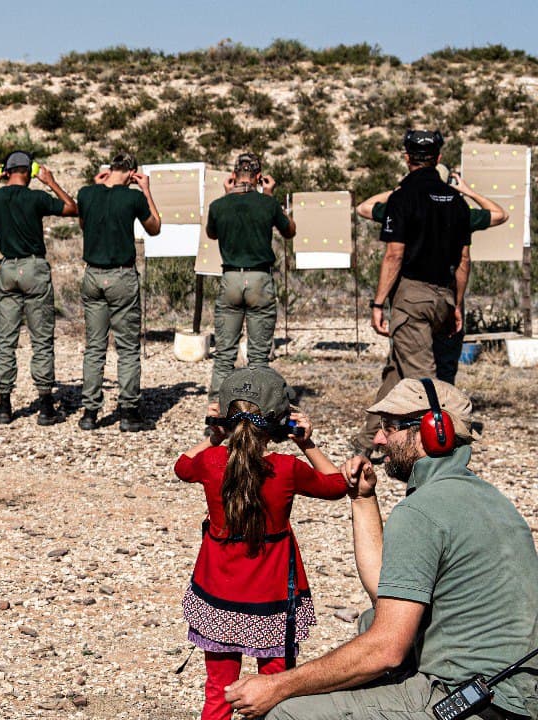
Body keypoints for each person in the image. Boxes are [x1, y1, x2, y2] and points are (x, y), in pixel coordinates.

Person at [227, 378, 538, 720]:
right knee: (371, 621)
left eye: (390, 427)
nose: (377, 438)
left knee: (286, 713)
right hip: (512, 694)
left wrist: (279, 685)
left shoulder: (422, 511)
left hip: (470, 699)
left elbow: (387, 649)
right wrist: (362, 499)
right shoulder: (489, 499)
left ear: (433, 431)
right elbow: (384, 588)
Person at [175, 367, 347, 720]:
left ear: (224, 415)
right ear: (279, 420)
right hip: (271, 603)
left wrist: (214, 436)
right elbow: (336, 485)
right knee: (275, 693)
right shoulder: (287, 468)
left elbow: (181, 466)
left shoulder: (210, 462)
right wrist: (306, 442)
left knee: (219, 694)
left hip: (216, 598)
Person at [355, 131, 473, 457]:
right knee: (395, 373)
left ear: (407, 157)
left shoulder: (403, 198)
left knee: (425, 384)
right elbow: (463, 260)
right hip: (443, 294)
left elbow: (394, 255)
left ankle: (445, 452)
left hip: (412, 295)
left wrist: (379, 302)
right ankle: (369, 442)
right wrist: (457, 305)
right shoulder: (457, 202)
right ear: (437, 158)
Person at [356, 164, 506, 385]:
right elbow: (500, 215)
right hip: (447, 297)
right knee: (444, 368)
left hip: (411, 299)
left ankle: (421, 415)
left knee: (409, 367)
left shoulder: (405, 206)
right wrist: (467, 191)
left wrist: (400, 191)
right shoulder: (458, 209)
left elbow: (364, 208)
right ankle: (443, 414)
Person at [0, 150, 78, 426]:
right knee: (41, 340)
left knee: (6, 339)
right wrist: (50, 182)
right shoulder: (37, 197)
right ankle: (45, 405)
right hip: (34, 268)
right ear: (29, 172)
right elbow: (72, 208)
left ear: (6, 170)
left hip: (8, 269)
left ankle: (4, 405)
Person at [75, 152, 161, 432]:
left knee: (95, 347)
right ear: (133, 172)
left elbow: (84, 225)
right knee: (127, 349)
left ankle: (90, 412)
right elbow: (155, 228)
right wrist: (146, 190)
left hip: (92, 275)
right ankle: (128, 412)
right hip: (121, 276)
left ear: (110, 169)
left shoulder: (86, 193)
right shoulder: (133, 197)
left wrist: (95, 187)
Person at [205, 152, 295, 402]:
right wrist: (270, 196)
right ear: (259, 177)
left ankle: (217, 409)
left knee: (224, 354)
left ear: (233, 176)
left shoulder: (218, 205)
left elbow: (212, 234)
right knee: (258, 356)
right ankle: (257, 407)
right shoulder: (268, 204)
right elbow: (290, 230)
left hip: (231, 278)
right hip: (259, 279)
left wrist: (226, 195)